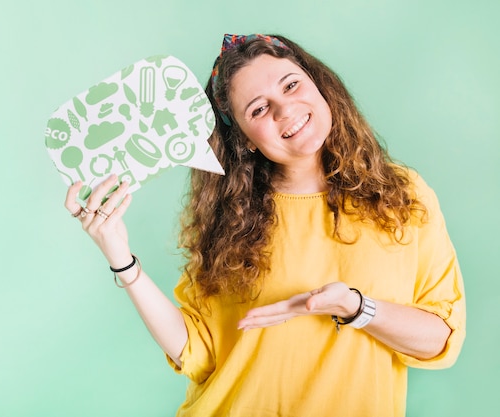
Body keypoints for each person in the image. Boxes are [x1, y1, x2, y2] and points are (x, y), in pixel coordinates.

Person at [64, 34, 465, 417]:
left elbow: (441, 340)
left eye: (291, 85)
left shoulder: (402, 196)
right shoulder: (232, 219)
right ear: (246, 139)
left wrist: (355, 306)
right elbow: (198, 352)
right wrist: (119, 255)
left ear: (320, 85)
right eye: (258, 109)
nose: (285, 110)